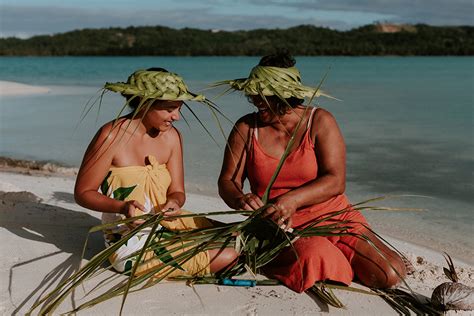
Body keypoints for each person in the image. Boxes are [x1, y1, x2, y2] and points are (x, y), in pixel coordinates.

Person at [217, 53, 406, 293]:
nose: (255, 99)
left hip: (334, 217)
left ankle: (341, 256)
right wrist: (239, 198)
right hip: (281, 228)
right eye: (253, 93)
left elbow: (336, 181)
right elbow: (227, 181)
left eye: (263, 94)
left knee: (389, 273)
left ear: (285, 94)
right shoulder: (246, 128)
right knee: (315, 255)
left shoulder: (320, 121)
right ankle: (327, 259)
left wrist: (291, 200)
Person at [75, 68, 237, 278]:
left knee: (237, 236)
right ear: (144, 103)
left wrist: (174, 203)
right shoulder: (110, 136)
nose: (176, 117)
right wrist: (122, 207)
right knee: (228, 256)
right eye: (170, 109)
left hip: (169, 222)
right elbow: (83, 192)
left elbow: (178, 192)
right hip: (128, 238)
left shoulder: (172, 137)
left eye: (179, 109)